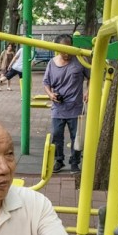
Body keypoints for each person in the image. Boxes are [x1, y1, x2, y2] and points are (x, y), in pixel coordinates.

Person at [43, 34, 90, 173]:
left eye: (69, 49)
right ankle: (59, 160)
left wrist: (88, 91)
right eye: (63, 50)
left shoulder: (80, 60)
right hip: (58, 107)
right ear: (57, 49)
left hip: (75, 107)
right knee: (57, 134)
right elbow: (46, 83)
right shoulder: (52, 63)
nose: (67, 53)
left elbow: (91, 77)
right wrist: (51, 94)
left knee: (76, 136)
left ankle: (75, 162)